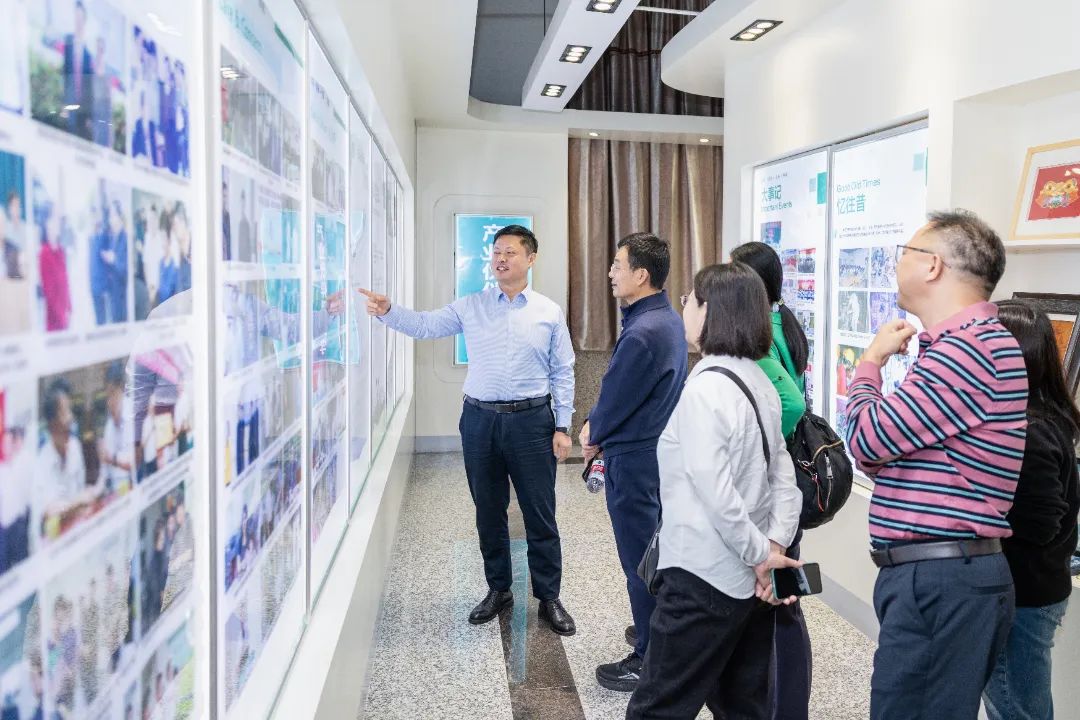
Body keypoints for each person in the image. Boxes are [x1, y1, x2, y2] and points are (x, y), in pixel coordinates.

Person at [845, 210, 1028, 720]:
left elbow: (867, 439)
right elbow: (889, 457)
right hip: (943, 576)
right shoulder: (966, 346)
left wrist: (870, 363)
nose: (895, 265)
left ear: (932, 265)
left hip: (942, 579)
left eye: (902, 253)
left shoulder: (969, 350)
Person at [360, 224, 578, 634]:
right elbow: (425, 326)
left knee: (540, 512)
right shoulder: (471, 305)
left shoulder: (548, 311)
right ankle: (499, 589)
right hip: (480, 421)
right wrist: (389, 311)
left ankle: (549, 597)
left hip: (532, 422)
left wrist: (562, 425)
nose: (501, 259)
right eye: (496, 252)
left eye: (510, 252)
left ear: (531, 258)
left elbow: (562, 370)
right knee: (488, 510)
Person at [626, 262, 803, 719]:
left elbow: (716, 493)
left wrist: (761, 556)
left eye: (690, 300)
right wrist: (773, 548)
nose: (684, 306)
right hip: (751, 583)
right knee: (743, 705)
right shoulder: (760, 381)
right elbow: (784, 480)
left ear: (711, 311)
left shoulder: (705, 390)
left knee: (658, 706)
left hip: (703, 577)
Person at [578, 233, 687, 691]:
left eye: (618, 265)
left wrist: (591, 433)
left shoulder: (643, 333)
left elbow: (614, 398)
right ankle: (655, 630)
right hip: (655, 454)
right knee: (655, 553)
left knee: (640, 560)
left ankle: (650, 658)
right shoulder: (665, 319)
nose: (611, 272)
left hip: (635, 459)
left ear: (641, 275)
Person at [982, 300, 1080, 720]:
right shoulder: (1039, 419)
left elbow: (1039, 525)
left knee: (1015, 705)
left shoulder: (1031, 431)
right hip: (1031, 587)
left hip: (1023, 592)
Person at [730, 241, 813, 720]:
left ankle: (784, 706)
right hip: (793, 478)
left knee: (780, 600)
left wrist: (766, 446)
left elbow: (792, 404)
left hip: (781, 480)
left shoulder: (760, 336)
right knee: (785, 595)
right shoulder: (784, 321)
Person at [62, 0, 94, 140]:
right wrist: (63, 102)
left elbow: (89, 88)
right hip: (69, 102)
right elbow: (64, 73)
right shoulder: (67, 44)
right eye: (76, 18)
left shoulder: (87, 55)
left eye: (80, 18)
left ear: (84, 21)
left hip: (82, 109)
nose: (78, 22)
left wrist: (89, 115)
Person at [99, 361, 132, 494]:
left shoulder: (133, 414)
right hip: (115, 494)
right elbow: (104, 474)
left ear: (121, 389)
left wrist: (111, 458)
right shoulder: (109, 425)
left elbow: (134, 462)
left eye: (113, 393)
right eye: (107, 395)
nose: (110, 401)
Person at [38, 210, 72, 332]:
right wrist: (61, 314)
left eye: (57, 223)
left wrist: (69, 307)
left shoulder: (60, 251)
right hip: (54, 315)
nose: (56, 226)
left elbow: (65, 281)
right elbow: (48, 289)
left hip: (65, 313)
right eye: (52, 223)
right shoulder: (44, 253)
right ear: (46, 227)